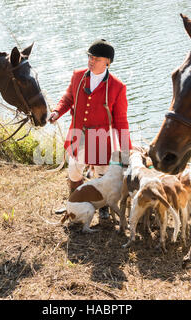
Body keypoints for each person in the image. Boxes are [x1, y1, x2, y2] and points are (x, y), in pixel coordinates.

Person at [49, 39, 132, 219]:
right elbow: (68, 97)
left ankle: (102, 206)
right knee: (74, 170)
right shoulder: (78, 76)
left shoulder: (117, 86)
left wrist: (126, 151)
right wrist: (57, 112)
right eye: (90, 57)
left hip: (101, 137)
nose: (91, 61)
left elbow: (121, 121)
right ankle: (74, 202)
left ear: (107, 62)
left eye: (96, 58)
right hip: (78, 133)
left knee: (101, 174)